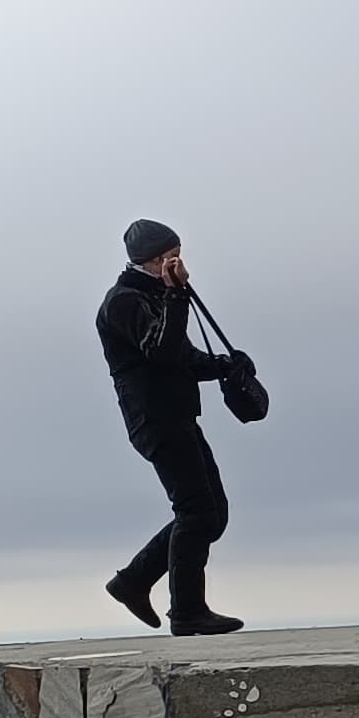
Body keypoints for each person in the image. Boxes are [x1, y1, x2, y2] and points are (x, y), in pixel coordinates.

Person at [97, 219, 243, 636]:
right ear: (154, 260)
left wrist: (227, 367)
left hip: (177, 415)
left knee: (212, 515)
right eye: (170, 257)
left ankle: (133, 581)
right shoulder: (123, 302)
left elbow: (184, 357)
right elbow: (160, 353)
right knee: (196, 511)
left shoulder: (158, 297)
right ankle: (187, 612)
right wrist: (177, 294)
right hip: (155, 420)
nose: (178, 264)